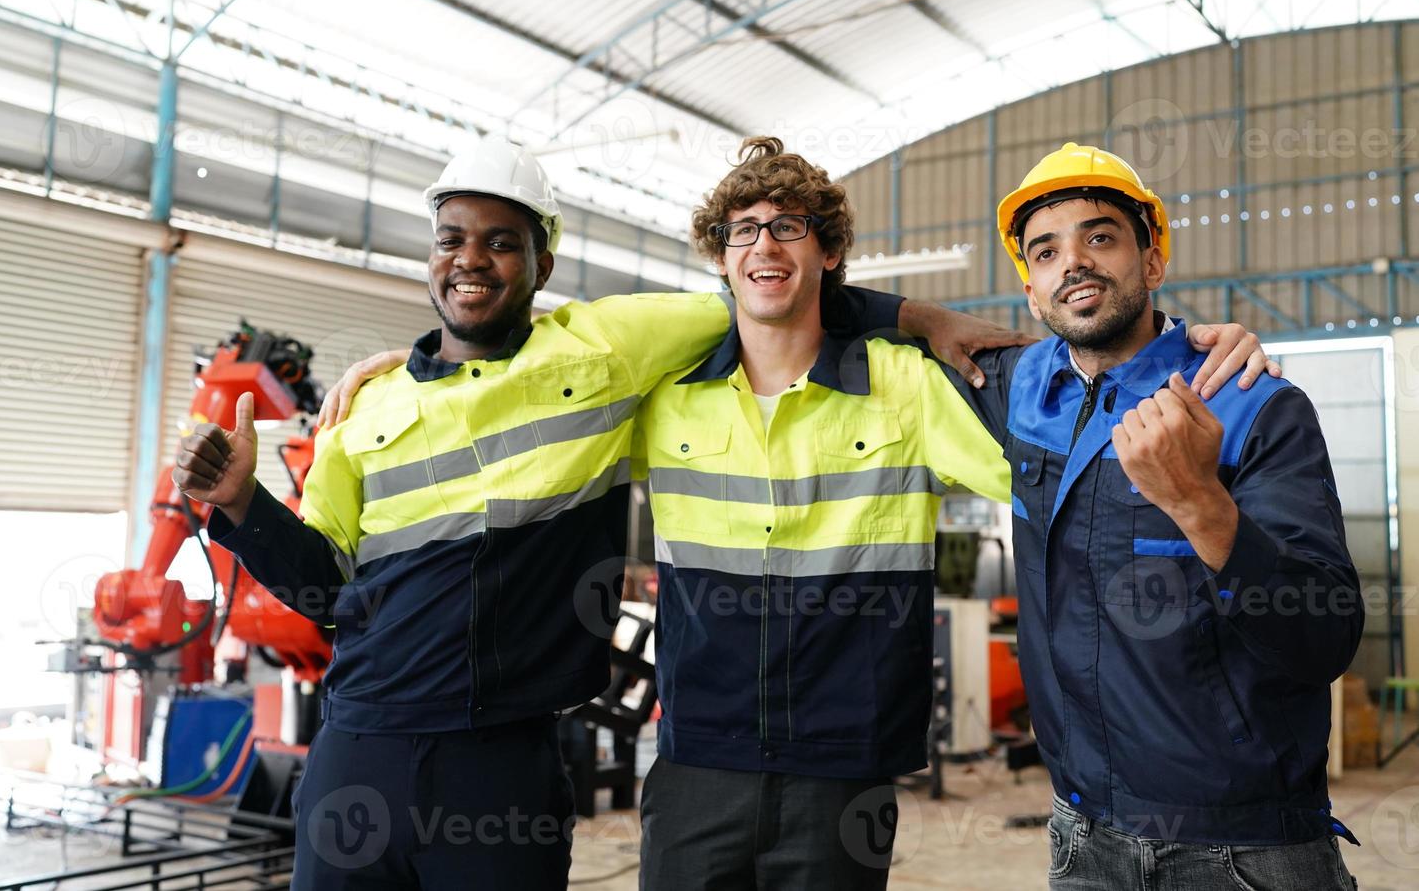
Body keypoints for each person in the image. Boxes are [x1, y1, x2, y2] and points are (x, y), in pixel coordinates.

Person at [321, 137, 1280, 891]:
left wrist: (1181, 357)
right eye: (744, 231)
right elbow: (510, 389)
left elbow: (1061, 465)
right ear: (722, 260)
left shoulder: (904, 387)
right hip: (695, 769)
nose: (764, 246)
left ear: (826, 253)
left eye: (789, 228)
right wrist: (393, 371)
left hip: (842, 770)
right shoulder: (659, 399)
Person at [172, 134, 1027, 889]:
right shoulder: (369, 410)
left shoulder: (609, 356)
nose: (471, 260)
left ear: (542, 264)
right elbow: (323, 587)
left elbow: (768, 298)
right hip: (363, 748)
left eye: (502, 243)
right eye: (452, 240)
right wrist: (244, 504)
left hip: (509, 766)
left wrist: (918, 316)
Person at [935, 142, 1363, 889]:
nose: (1075, 262)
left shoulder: (1250, 404)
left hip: (1241, 849)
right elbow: (819, 308)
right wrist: (921, 315)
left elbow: (1322, 638)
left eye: (1100, 237)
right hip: (1081, 834)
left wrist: (1202, 504)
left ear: (1153, 261)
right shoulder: (1018, 388)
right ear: (1032, 292)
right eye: (1047, 251)